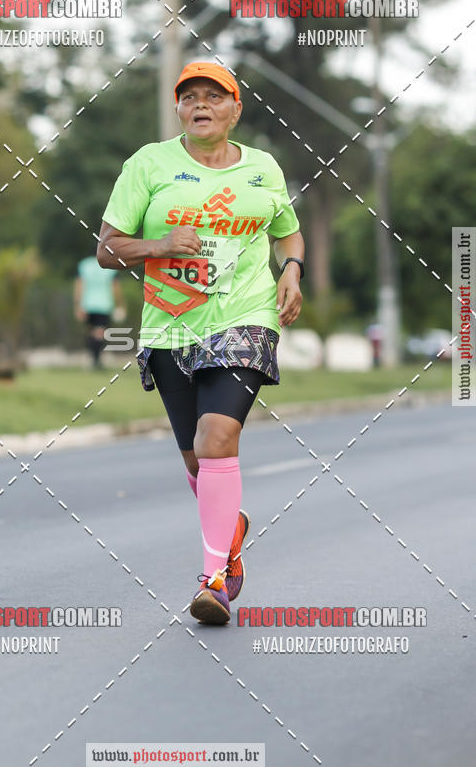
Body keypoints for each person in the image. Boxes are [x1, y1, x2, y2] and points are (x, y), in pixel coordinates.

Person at [97, 62, 304, 625]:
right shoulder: (148, 164)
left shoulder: (262, 168)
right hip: (171, 324)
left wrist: (292, 268)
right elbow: (107, 249)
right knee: (195, 454)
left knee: (217, 437)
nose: (201, 104)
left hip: (246, 316)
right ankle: (230, 528)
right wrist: (160, 245)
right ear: (179, 109)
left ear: (236, 109)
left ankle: (214, 581)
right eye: (190, 97)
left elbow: (287, 232)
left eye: (214, 96)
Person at [74, 253, 125, 368]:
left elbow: (79, 285)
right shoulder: (110, 265)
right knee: (99, 333)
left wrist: (77, 305)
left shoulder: (84, 265)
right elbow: (115, 287)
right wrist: (120, 304)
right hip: (104, 304)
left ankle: (93, 358)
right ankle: (96, 360)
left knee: (93, 332)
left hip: (87, 304)